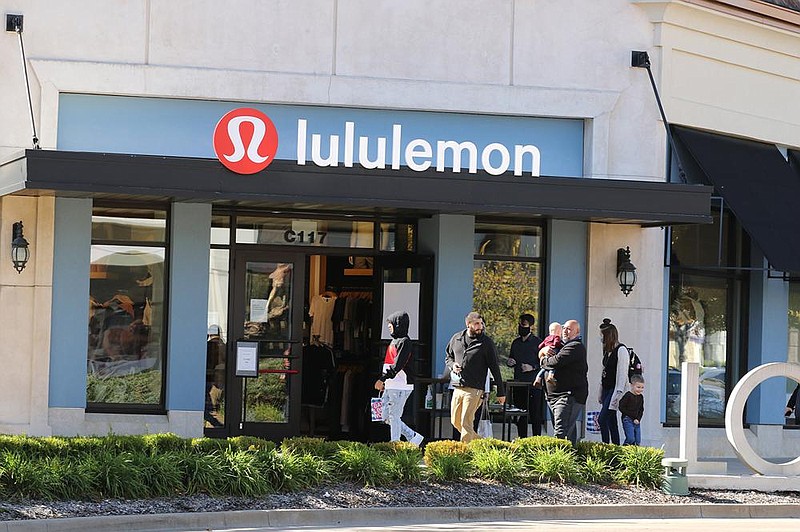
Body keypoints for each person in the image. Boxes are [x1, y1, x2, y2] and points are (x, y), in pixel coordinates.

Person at [445, 312, 506, 442]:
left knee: (466, 422)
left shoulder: (486, 343)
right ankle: (482, 444)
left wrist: (501, 391)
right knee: (455, 421)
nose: (480, 326)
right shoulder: (456, 338)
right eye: (477, 324)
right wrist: (453, 365)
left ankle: (465, 456)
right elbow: (448, 357)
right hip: (458, 386)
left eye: (481, 323)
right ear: (468, 324)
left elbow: (495, 368)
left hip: (475, 389)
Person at [374, 311, 424, 446]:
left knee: (394, 416)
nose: (389, 326)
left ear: (397, 324)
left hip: (400, 385)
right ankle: (412, 436)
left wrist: (383, 378)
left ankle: (395, 444)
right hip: (391, 385)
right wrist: (386, 381)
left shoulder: (405, 342)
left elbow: (398, 364)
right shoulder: (394, 341)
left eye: (390, 323)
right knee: (384, 416)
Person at [539, 319, 588, 446]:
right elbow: (542, 350)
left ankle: (560, 462)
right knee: (568, 434)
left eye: (569, 329)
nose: (565, 331)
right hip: (554, 397)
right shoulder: (561, 345)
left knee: (561, 434)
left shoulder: (575, 346)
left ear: (577, 332)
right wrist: (542, 351)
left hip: (567, 396)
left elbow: (556, 361)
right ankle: (572, 460)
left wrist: (543, 359)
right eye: (564, 328)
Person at [506, 313, 545, 437]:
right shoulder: (516, 343)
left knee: (535, 416)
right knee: (520, 415)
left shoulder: (538, 343)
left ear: (531, 327)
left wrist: (532, 367)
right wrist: (510, 362)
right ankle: (522, 439)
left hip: (533, 385)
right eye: (519, 324)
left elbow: (545, 363)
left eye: (523, 325)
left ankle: (537, 441)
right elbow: (511, 359)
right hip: (518, 383)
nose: (520, 327)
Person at [598, 318, 629, 445]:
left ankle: (605, 444)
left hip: (614, 390)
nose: (600, 338)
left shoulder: (621, 350)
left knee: (602, 419)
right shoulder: (607, 352)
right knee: (611, 420)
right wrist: (600, 392)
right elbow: (603, 373)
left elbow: (622, 374)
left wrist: (617, 394)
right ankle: (615, 446)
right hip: (606, 389)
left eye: (601, 335)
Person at [533, 322, 563, 388]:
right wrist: (559, 346)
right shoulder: (557, 337)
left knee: (543, 368)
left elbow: (541, 345)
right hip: (553, 352)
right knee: (553, 366)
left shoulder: (547, 338)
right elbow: (557, 343)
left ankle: (537, 379)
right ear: (559, 331)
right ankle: (550, 376)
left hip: (546, 355)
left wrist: (542, 348)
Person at [618, 375, 645, 445]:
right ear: (632, 385)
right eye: (638, 387)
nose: (640, 389)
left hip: (636, 421)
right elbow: (621, 407)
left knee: (637, 440)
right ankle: (622, 450)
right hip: (628, 419)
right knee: (630, 438)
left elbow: (641, 409)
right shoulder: (628, 395)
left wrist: (638, 419)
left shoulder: (641, 397)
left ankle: (633, 454)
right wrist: (632, 417)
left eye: (642, 387)